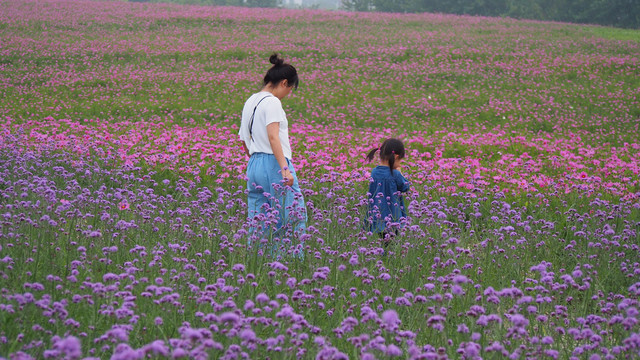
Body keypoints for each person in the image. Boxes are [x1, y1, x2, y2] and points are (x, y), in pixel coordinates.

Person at [238, 53, 307, 258]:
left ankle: (258, 261)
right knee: (292, 214)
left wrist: (254, 157)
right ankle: (292, 263)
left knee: (259, 217)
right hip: (274, 163)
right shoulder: (273, 102)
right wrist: (284, 168)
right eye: (290, 89)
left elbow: (244, 138)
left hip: (254, 163)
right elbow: (273, 137)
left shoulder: (250, 101)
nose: (288, 94)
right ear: (284, 82)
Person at [364, 138, 410, 246]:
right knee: (392, 244)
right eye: (400, 161)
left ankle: (383, 258)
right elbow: (405, 187)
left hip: (378, 215)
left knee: (384, 241)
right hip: (393, 215)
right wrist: (400, 172)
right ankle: (386, 260)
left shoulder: (374, 172)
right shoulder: (395, 174)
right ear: (396, 157)